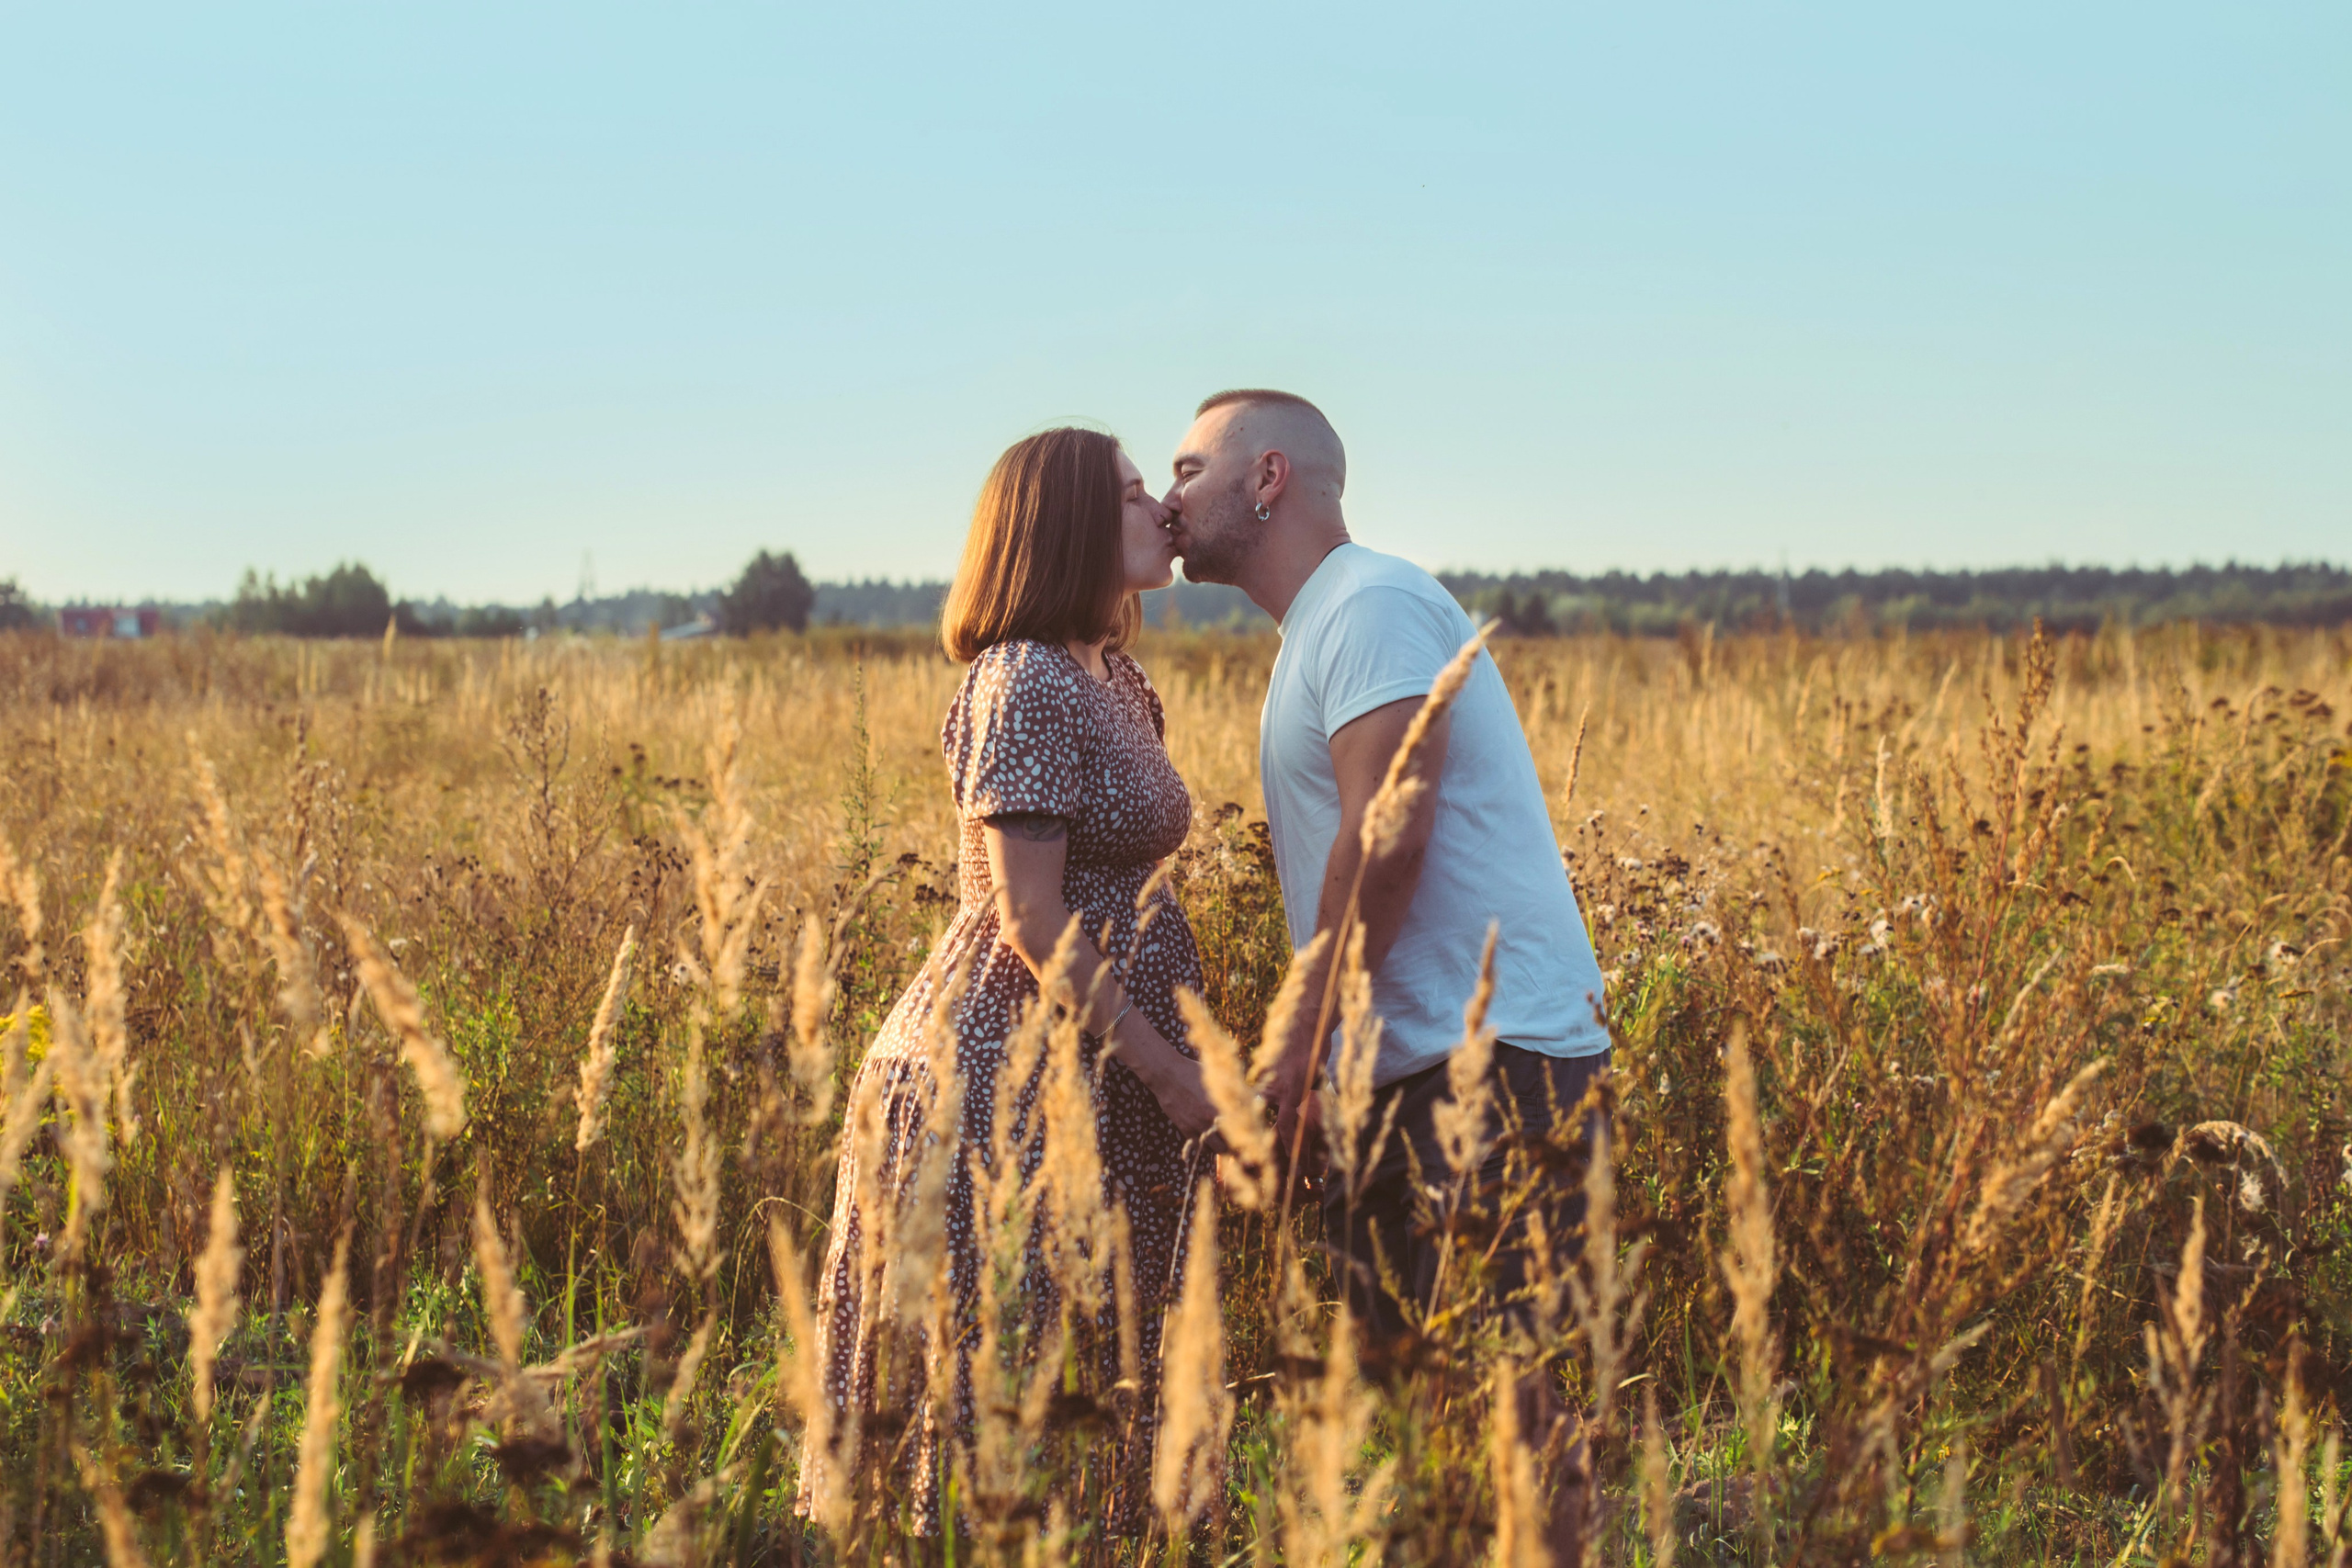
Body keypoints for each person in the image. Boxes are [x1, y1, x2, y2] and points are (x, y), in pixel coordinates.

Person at [1164, 388, 1611, 1551]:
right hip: (1408, 1066)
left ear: (1267, 479)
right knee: (1429, 1415)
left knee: (1513, 1407)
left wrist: (1297, 1049)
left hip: (1490, 1061)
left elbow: (1391, 829)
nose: (1169, 499)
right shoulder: (1319, 629)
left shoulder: (1369, 602)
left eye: (1187, 468)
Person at [804, 426, 1216, 1530]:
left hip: (1097, 1067)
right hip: (999, 1077)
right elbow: (1030, 918)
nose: (1160, 512)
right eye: (1137, 496)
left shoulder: (1117, 678)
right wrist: (1169, 1072)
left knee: (1087, 1377)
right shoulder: (1022, 680)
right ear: (1075, 523)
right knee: (997, 1383)